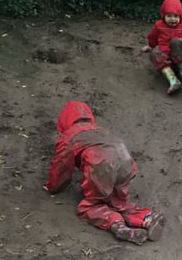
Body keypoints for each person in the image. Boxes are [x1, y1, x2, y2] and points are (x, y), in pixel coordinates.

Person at [43, 101, 165, 245]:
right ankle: (148, 218)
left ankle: (118, 225)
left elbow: (61, 166)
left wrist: (53, 186)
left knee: (91, 205)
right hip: (126, 161)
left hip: (101, 165)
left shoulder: (69, 136)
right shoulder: (100, 130)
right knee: (117, 201)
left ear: (65, 120)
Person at [141, 0, 182, 95]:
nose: (172, 19)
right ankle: (173, 80)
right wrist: (150, 46)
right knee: (154, 54)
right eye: (169, 16)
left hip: (181, 57)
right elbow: (153, 37)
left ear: (180, 16)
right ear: (163, 16)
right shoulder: (159, 25)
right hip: (166, 59)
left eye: (176, 16)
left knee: (176, 41)